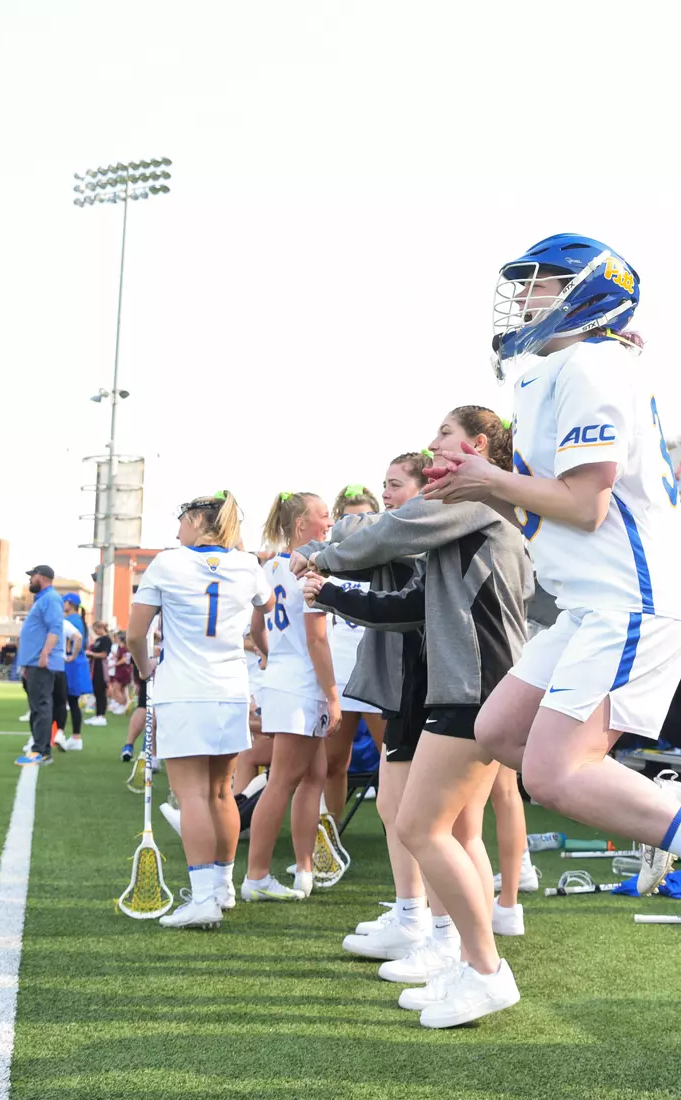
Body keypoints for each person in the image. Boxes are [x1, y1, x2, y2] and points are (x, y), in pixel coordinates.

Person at [422, 234, 681, 984]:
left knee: (552, 775)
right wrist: (480, 482)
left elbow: (586, 506)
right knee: (496, 731)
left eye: (543, 286)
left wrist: (487, 477)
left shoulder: (592, 364)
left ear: (588, 294)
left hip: (631, 599)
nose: (524, 299)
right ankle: (657, 808)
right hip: (591, 601)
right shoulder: (554, 368)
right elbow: (549, 512)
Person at [294, 407, 534, 1026]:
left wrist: (317, 557)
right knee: (442, 830)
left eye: (444, 437)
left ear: (477, 447)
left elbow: (384, 536)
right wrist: (336, 584)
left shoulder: (471, 499)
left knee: (422, 827)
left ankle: (483, 968)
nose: (432, 449)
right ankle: (464, 959)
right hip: (476, 686)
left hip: (476, 686)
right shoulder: (481, 507)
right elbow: (414, 604)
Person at [127, 491, 273, 930]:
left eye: (181, 521)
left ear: (195, 521)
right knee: (221, 792)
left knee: (192, 796)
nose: (176, 531)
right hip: (229, 690)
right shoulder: (247, 564)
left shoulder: (169, 562)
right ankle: (223, 888)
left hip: (184, 691)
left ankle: (204, 899)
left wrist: (145, 667)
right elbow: (263, 611)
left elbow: (136, 633)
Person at [241, 492, 337, 901]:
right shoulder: (308, 570)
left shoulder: (271, 566)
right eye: (323, 516)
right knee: (282, 781)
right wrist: (333, 695)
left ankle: (303, 869)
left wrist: (269, 654)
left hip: (284, 680)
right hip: (301, 685)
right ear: (301, 525)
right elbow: (317, 642)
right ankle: (256, 876)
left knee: (312, 777)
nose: (329, 523)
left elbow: (256, 624)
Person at [322, 484, 385, 832]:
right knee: (333, 764)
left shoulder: (387, 553)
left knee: (391, 761)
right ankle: (329, 839)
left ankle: (405, 844)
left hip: (377, 672)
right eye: (348, 519)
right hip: (340, 672)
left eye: (363, 517)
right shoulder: (329, 557)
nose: (355, 525)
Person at [14, 565, 65, 766]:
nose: (30, 579)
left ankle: (42, 751)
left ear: (42, 577)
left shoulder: (51, 599)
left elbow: (55, 628)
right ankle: (39, 747)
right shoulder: (43, 599)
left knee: (41, 706)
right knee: (37, 707)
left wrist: (45, 654)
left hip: (41, 663)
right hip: (34, 663)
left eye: (32, 576)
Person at [58, 593, 91, 750]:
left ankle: (59, 734)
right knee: (72, 701)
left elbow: (72, 640)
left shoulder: (70, 620)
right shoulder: (80, 620)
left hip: (70, 663)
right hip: (77, 663)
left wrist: (70, 656)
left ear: (69, 604)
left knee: (61, 700)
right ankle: (76, 737)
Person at [85, 622, 111, 726]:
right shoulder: (98, 640)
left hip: (101, 667)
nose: (95, 632)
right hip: (94, 667)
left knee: (101, 692)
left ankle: (102, 716)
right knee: (96, 691)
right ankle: (97, 714)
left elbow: (104, 654)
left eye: (95, 629)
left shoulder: (106, 640)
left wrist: (91, 654)